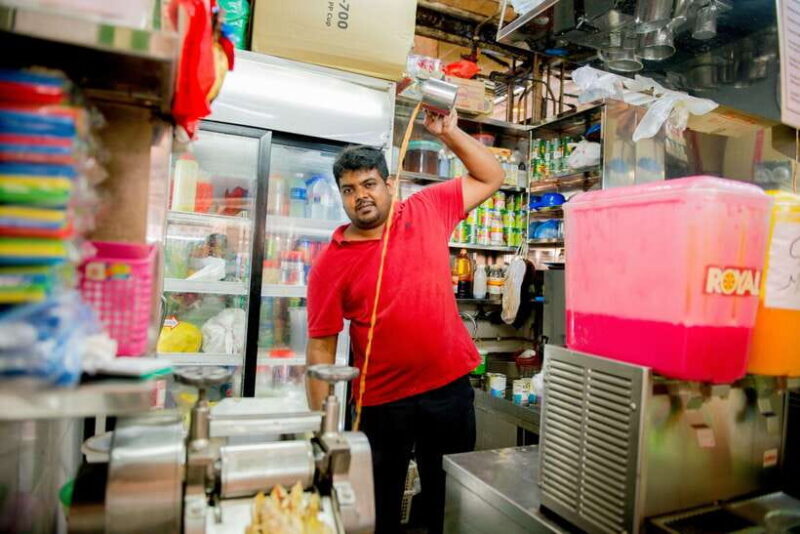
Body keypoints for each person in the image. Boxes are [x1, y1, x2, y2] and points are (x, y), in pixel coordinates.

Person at [306, 108, 504, 534]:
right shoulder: (330, 263)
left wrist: (450, 133)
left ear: (388, 184)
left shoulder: (427, 208)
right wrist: (322, 428)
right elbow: (321, 347)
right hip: (381, 403)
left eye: (369, 184)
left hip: (448, 391)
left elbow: (491, 176)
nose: (361, 195)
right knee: (376, 506)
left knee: (446, 502)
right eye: (349, 189)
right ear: (341, 196)